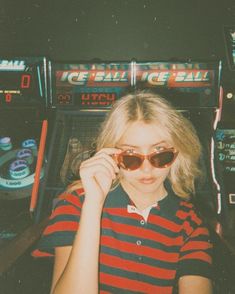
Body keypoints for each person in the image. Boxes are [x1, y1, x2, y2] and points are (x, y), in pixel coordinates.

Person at [32, 90, 214, 294]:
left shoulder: (190, 223)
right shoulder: (76, 204)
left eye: (160, 155)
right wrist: (93, 205)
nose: (147, 170)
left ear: (178, 152)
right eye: (131, 157)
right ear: (111, 154)